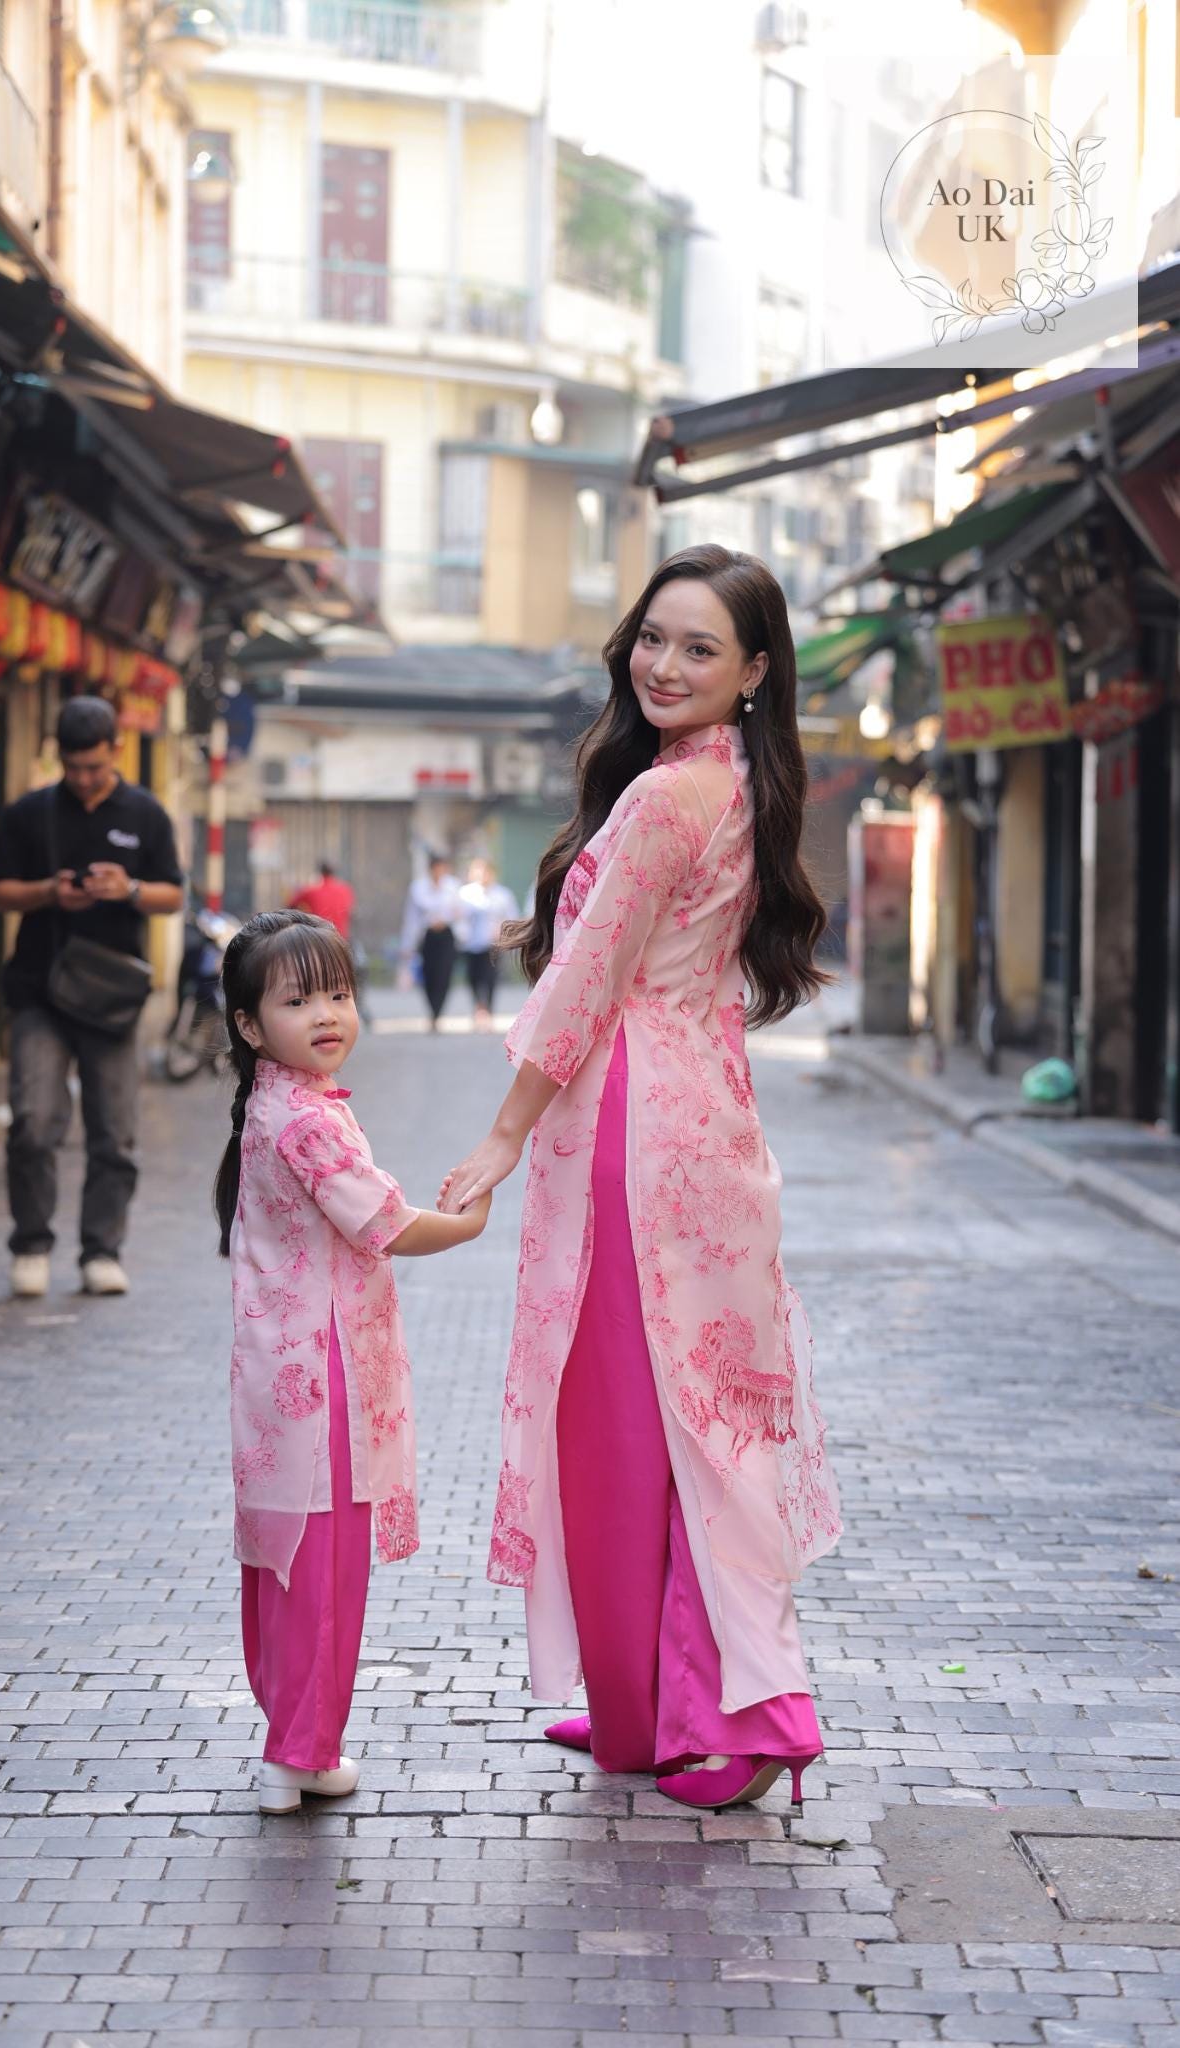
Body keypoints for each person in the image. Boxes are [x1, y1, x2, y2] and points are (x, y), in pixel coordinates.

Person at [437, 545, 843, 1814]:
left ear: (754, 669)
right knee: (695, 1413)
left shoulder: (670, 798)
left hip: (634, 1129)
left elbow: (584, 979)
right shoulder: (734, 783)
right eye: (653, 638)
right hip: (704, 1120)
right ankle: (648, 1704)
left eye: (699, 648)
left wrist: (503, 1135)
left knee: (632, 1422)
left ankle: (728, 1714)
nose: (664, 664)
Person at [215, 909, 489, 1814]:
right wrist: (469, 1223)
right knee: (323, 1563)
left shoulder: (277, 1104)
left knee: (286, 1556)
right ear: (252, 1026)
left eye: (337, 993)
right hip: (321, 1366)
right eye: (298, 1001)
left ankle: (293, 1742)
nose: (327, 1014)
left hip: (278, 1368)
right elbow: (385, 1225)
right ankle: (297, 1751)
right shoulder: (305, 1120)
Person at [0, 695, 184, 1300]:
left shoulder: (145, 813)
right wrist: (49, 892)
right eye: (73, 767)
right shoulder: (30, 813)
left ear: (116, 751)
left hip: (113, 998)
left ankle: (102, 1251)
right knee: (32, 1122)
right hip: (40, 991)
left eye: (94, 767)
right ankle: (31, 1244)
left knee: (114, 1133)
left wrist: (129, 889)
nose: (83, 778)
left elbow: (173, 895)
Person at [455, 858, 519, 1030]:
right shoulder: (464, 894)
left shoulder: (503, 894)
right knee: (473, 978)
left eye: (485, 872)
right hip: (470, 944)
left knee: (490, 978)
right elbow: (457, 918)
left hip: (493, 944)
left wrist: (502, 930)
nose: (482, 875)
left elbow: (512, 917)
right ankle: (478, 1007)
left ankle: (487, 1011)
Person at [399, 853, 459, 1031]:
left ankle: (437, 1012)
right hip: (428, 936)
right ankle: (432, 1010)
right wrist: (407, 944)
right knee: (429, 973)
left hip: (447, 935)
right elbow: (411, 918)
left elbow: (460, 913)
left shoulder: (453, 886)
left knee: (444, 974)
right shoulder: (418, 888)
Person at [289, 859, 355, 938]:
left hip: (319, 936)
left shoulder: (312, 890)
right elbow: (350, 912)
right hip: (340, 937)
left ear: (320, 872)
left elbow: (291, 904)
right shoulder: (346, 889)